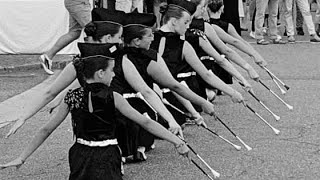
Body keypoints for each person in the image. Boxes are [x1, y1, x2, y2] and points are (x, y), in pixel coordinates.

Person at [0, 55, 190, 180]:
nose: (114, 74)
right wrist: (176, 140)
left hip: (80, 154)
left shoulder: (71, 97)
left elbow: (46, 129)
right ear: (100, 73)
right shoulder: (113, 97)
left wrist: (22, 157)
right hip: (107, 155)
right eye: (111, 70)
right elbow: (145, 121)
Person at [111, 11, 215, 161]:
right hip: (137, 113)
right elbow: (173, 86)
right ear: (136, 41)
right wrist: (200, 105)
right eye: (149, 35)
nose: (153, 38)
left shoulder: (115, 56)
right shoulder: (146, 59)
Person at [206, 0, 267, 67]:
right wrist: (255, 54)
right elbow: (238, 41)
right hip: (219, 60)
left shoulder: (205, 24)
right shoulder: (227, 26)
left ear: (207, 9)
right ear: (222, 8)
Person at [39, 0, 92, 75]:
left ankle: (47, 56)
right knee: (92, 30)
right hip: (79, 3)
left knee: (75, 32)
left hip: (74, 2)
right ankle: (92, 61)